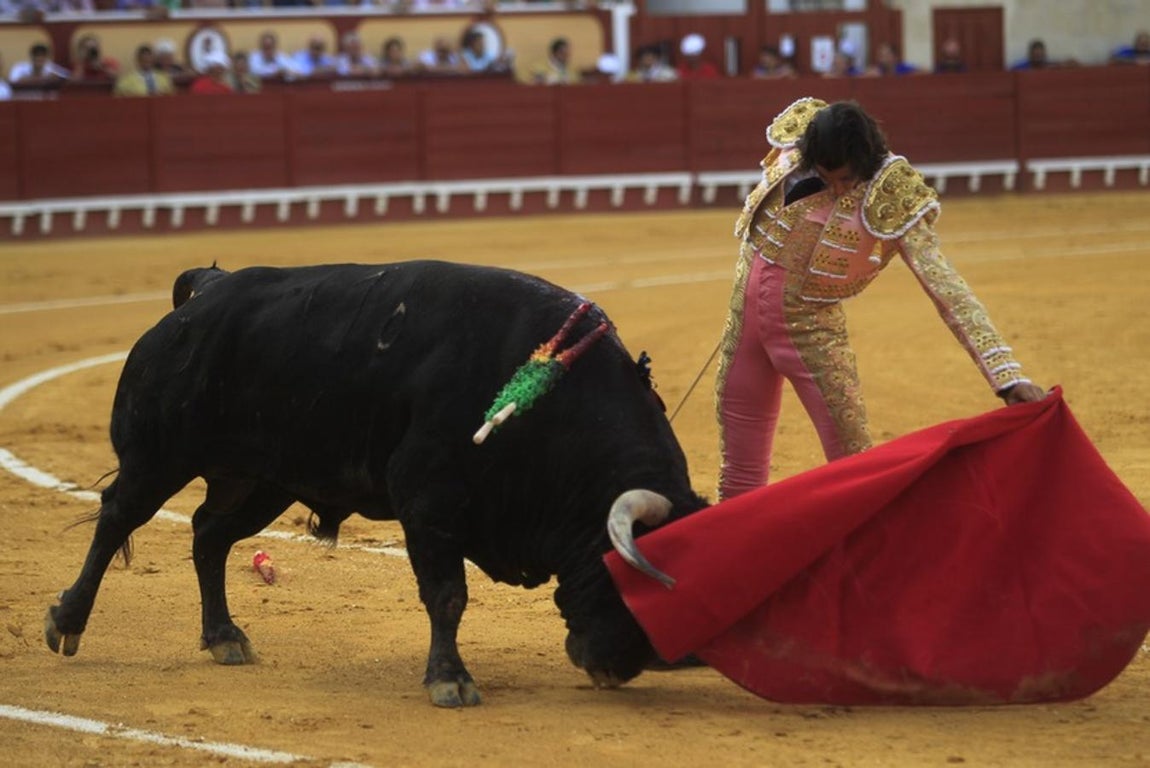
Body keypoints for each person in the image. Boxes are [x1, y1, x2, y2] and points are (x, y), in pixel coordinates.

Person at [714, 97, 1046, 500]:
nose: (837, 187)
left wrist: (1006, 375)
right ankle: (733, 560)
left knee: (854, 468)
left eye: (846, 179)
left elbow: (947, 288)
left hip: (810, 335)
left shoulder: (892, 191)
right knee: (738, 474)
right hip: (743, 328)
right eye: (827, 175)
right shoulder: (796, 142)